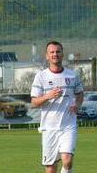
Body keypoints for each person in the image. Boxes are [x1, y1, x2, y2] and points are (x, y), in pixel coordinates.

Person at [31, 41, 84, 173]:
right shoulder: (41, 76)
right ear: (47, 56)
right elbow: (34, 102)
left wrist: (77, 105)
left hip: (68, 125)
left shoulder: (72, 75)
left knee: (67, 161)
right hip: (49, 128)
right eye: (52, 52)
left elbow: (80, 94)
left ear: (62, 54)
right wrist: (48, 96)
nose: (55, 54)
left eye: (58, 51)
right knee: (50, 169)